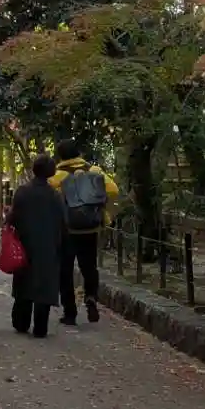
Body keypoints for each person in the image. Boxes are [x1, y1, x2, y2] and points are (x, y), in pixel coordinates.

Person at [51, 139, 118, 324]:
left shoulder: (56, 177)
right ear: (79, 153)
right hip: (90, 228)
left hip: (66, 230)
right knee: (89, 267)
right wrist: (101, 209)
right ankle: (91, 297)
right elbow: (113, 190)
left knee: (65, 270)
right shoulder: (94, 171)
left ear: (60, 156)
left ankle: (70, 312)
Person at [6, 156, 66, 337]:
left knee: (24, 282)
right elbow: (63, 222)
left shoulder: (23, 192)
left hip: (25, 243)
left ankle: (21, 321)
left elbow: (12, 217)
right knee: (44, 285)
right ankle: (41, 326)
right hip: (48, 246)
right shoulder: (55, 196)